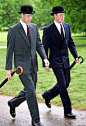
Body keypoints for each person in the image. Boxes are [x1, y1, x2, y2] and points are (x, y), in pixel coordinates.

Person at [6, 4, 49, 126]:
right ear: (22, 15)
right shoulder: (13, 30)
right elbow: (9, 51)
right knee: (31, 92)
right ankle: (36, 121)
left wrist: (44, 58)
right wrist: (8, 69)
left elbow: (39, 45)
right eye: (28, 16)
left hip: (33, 65)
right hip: (21, 67)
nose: (30, 18)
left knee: (30, 90)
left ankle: (13, 103)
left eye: (31, 16)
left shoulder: (34, 27)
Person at [42, 5, 79, 119]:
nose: (62, 16)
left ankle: (47, 95)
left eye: (63, 14)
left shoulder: (67, 26)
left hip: (66, 60)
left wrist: (75, 56)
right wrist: (45, 62)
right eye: (60, 15)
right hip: (55, 61)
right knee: (62, 85)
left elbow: (70, 42)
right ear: (54, 15)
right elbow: (44, 46)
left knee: (66, 82)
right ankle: (68, 111)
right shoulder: (48, 29)